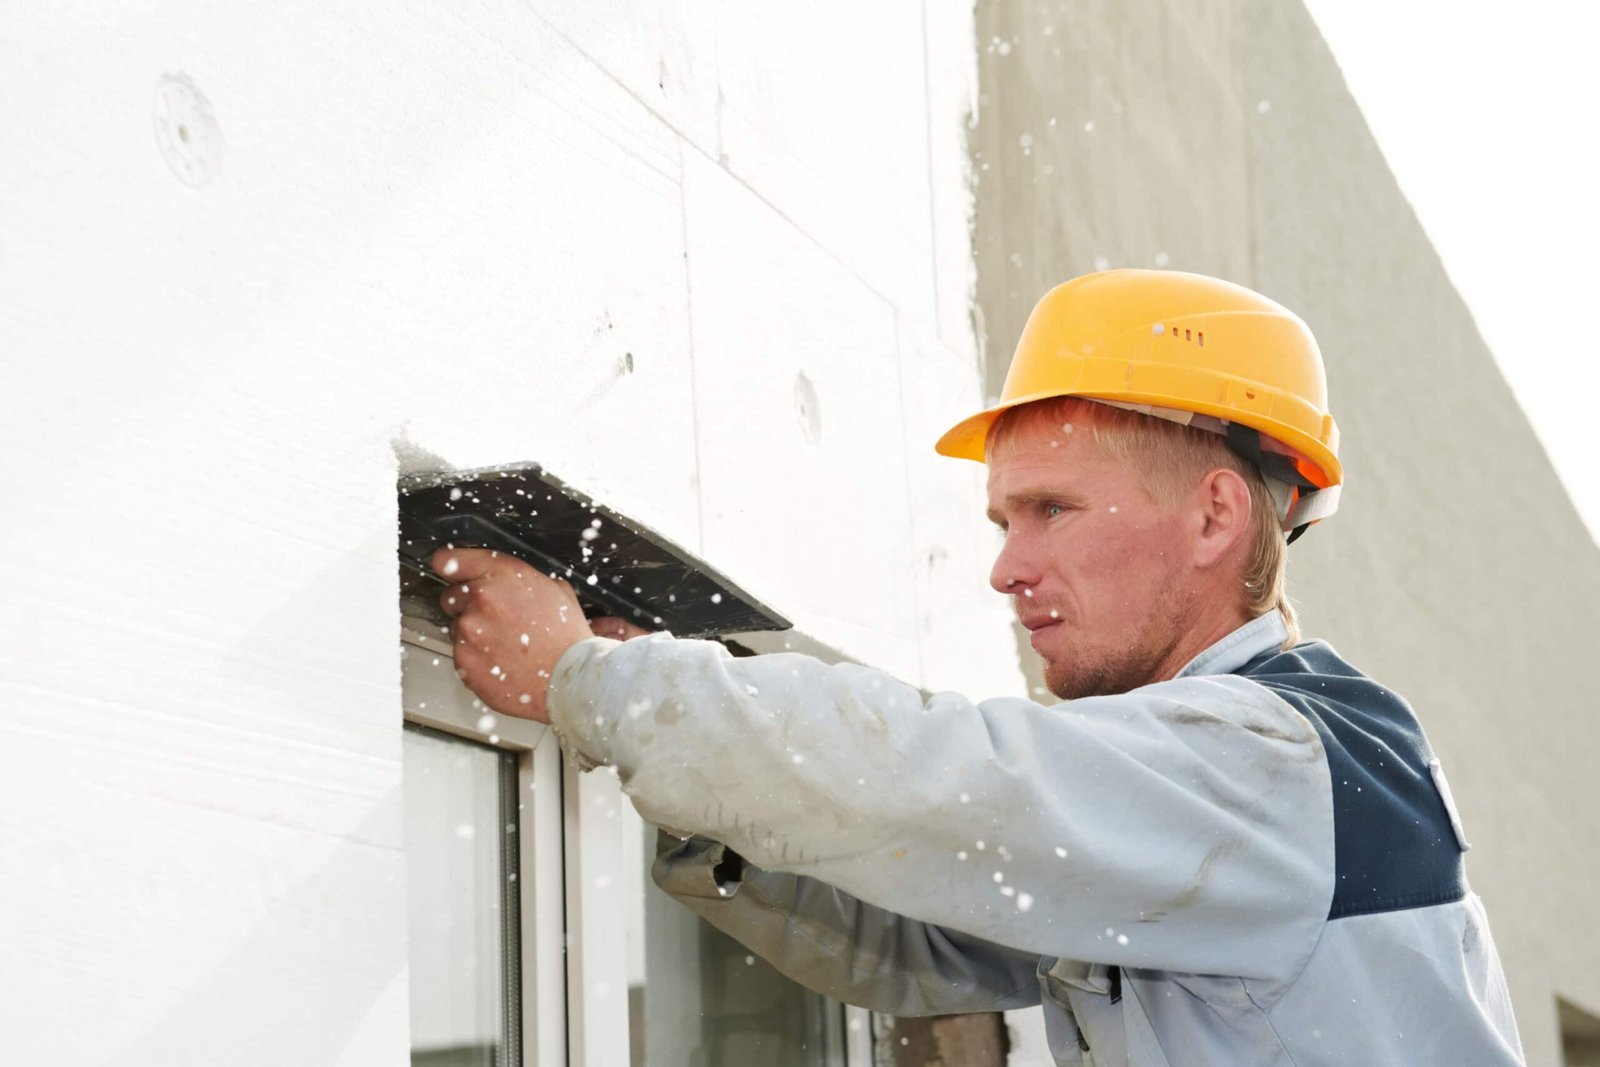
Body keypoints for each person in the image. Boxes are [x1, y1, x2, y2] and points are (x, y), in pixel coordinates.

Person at [435, 270, 1524, 1065]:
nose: (1007, 566)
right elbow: (923, 946)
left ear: (1212, 514)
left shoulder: (1283, 760)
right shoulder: (1187, 809)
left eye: (1052, 508)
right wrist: (701, 807)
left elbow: (933, 777)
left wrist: (587, 679)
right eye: (1005, 518)